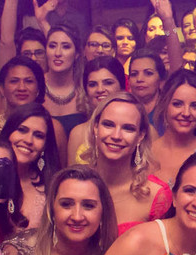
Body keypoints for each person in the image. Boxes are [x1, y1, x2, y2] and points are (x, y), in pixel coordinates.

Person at [73, 91, 173, 235]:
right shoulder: (74, 184)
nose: (116, 136)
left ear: (140, 135)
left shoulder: (156, 196)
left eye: (128, 128)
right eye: (108, 125)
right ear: (96, 128)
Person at [150, 70, 196, 185]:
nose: (186, 113)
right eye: (177, 104)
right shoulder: (146, 151)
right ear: (165, 105)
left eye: (195, 106)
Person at [2, 102, 61, 228]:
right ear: (8, 133)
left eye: (38, 135)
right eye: (22, 130)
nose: (28, 140)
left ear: (45, 145)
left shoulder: (53, 187)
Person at [66, 57, 128, 167]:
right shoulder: (77, 133)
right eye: (92, 84)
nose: (100, 89)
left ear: (122, 87)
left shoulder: (139, 129)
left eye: (108, 83)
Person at [43, 25, 85, 137]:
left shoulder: (86, 88)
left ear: (76, 54)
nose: (57, 53)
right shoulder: (34, 86)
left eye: (66, 47)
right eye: (52, 46)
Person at [0, 56, 44, 133]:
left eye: (29, 81)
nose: (22, 88)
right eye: (14, 81)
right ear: (2, 89)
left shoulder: (51, 126)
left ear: (38, 88)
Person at [127, 47, 166, 123]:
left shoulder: (170, 111)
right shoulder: (122, 110)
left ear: (161, 80)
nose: (139, 79)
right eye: (134, 74)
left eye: (148, 73)